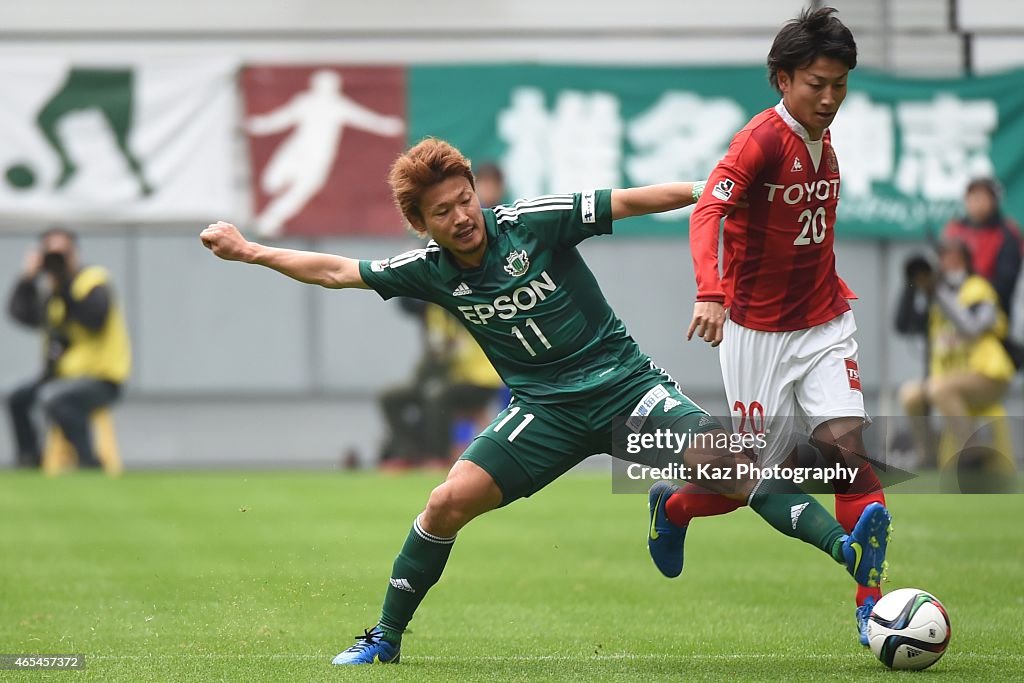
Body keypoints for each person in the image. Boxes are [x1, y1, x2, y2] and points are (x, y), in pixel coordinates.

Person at [200, 137, 890, 666]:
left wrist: (718, 193)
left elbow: (630, 199)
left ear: (475, 190)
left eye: (464, 198)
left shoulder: (533, 222)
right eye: (443, 212)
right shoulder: (431, 271)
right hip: (545, 412)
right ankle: (385, 637)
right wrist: (248, 250)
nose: (462, 215)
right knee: (444, 503)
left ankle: (846, 551)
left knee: (733, 467)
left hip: (627, 388)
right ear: (424, 224)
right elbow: (335, 270)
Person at [671, 7, 888, 647]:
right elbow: (707, 212)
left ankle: (871, 607)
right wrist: (711, 292)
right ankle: (674, 505)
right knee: (750, 481)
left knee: (851, 459)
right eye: (816, 84)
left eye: (840, 84)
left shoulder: (822, 139)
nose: (829, 98)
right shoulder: (760, 141)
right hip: (757, 332)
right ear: (782, 79)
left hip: (823, 320)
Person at [6, 228, 131, 468]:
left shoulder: (92, 280)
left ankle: (88, 462)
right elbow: (20, 314)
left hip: (101, 379)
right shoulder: (50, 291)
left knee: (55, 398)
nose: (56, 261)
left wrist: (65, 284)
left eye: (61, 254)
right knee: (17, 397)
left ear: (75, 253)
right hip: (60, 376)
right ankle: (29, 460)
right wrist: (27, 279)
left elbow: (95, 319)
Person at [899, 239, 1015, 471]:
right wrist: (911, 286)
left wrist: (939, 293)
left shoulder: (979, 289)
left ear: (966, 262)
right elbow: (903, 325)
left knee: (940, 388)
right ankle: (929, 455)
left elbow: (972, 328)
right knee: (910, 395)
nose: (949, 263)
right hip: (952, 377)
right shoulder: (935, 297)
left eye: (955, 258)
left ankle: (972, 453)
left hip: (988, 376)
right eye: (943, 258)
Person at [942, 177, 1022, 318]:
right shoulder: (954, 230)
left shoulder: (1007, 234)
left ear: (994, 201)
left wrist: (970, 287)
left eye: (982, 197)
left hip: (991, 313)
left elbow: (1006, 284)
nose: (976, 202)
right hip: (950, 309)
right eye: (972, 197)